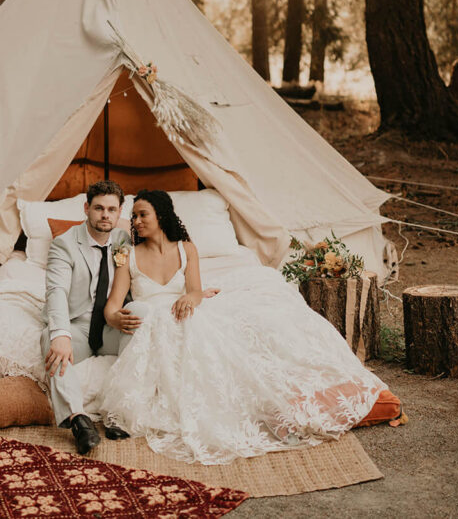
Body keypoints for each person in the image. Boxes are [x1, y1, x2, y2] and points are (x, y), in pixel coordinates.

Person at [99, 189, 388, 465]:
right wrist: (115, 319)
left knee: (224, 338)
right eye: (134, 216)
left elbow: (196, 291)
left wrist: (191, 296)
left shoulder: (187, 249)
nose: (135, 222)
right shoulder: (128, 256)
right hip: (152, 319)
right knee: (178, 336)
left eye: (142, 215)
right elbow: (111, 306)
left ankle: (278, 407)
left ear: (161, 215)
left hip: (183, 312)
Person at [42, 180, 139, 454]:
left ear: (120, 212)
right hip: (78, 324)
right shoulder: (64, 244)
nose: (105, 215)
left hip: (110, 323)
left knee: (143, 321)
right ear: (87, 208)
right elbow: (57, 290)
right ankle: (78, 420)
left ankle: (120, 414)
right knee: (47, 339)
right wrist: (60, 335)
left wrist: (194, 291)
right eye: (98, 208)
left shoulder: (123, 241)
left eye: (111, 209)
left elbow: (155, 266)